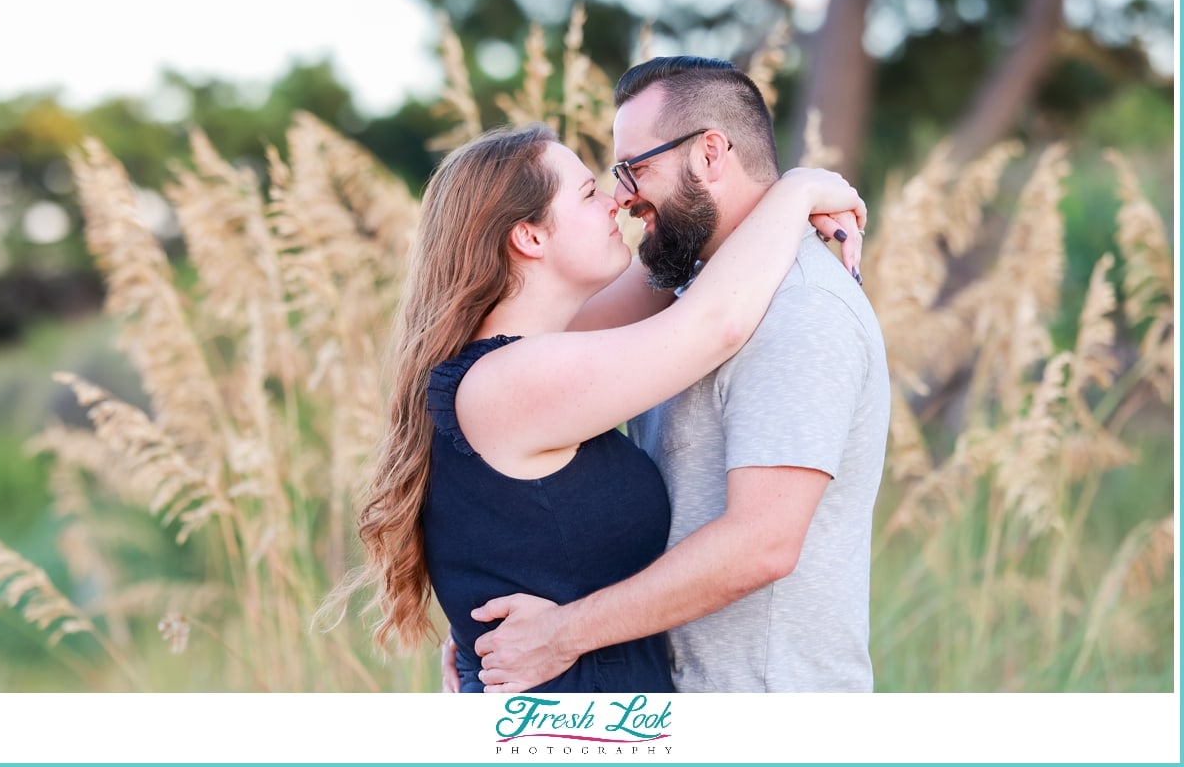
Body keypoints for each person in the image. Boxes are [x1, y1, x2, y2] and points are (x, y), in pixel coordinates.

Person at [345, 117, 866, 693]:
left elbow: (673, 267)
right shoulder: (512, 381)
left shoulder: (525, 357)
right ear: (531, 237)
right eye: (591, 193)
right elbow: (714, 323)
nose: (617, 201)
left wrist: (747, 201)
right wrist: (797, 190)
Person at [469, 57, 891, 693]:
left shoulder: (800, 310)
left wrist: (559, 636)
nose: (623, 196)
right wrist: (477, 613)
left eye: (635, 168)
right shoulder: (692, 291)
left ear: (710, 155)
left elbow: (763, 544)